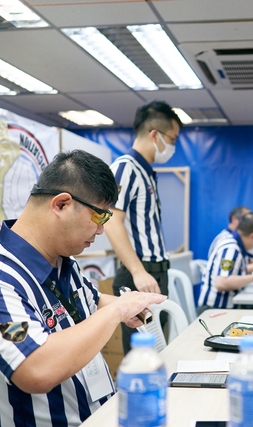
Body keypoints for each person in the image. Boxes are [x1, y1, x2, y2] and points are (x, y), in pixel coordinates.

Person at [0, 150, 166, 427]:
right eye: (100, 217)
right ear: (62, 204)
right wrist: (118, 310)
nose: (101, 231)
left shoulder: (63, 263)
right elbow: (37, 369)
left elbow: (93, 300)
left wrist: (125, 307)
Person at [105, 100, 182, 353]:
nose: (173, 146)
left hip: (154, 273)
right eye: (172, 139)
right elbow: (112, 221)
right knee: (144, 355)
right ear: (154, 135)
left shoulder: (146, 171)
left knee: (160, 352)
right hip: (140, 274)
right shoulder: (126, 168)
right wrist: (138, 272)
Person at [198, 212, 253, 310]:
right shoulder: (231, 249)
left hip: (226, 308)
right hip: (215, 309)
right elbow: (222, 283)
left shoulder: (240, 245)